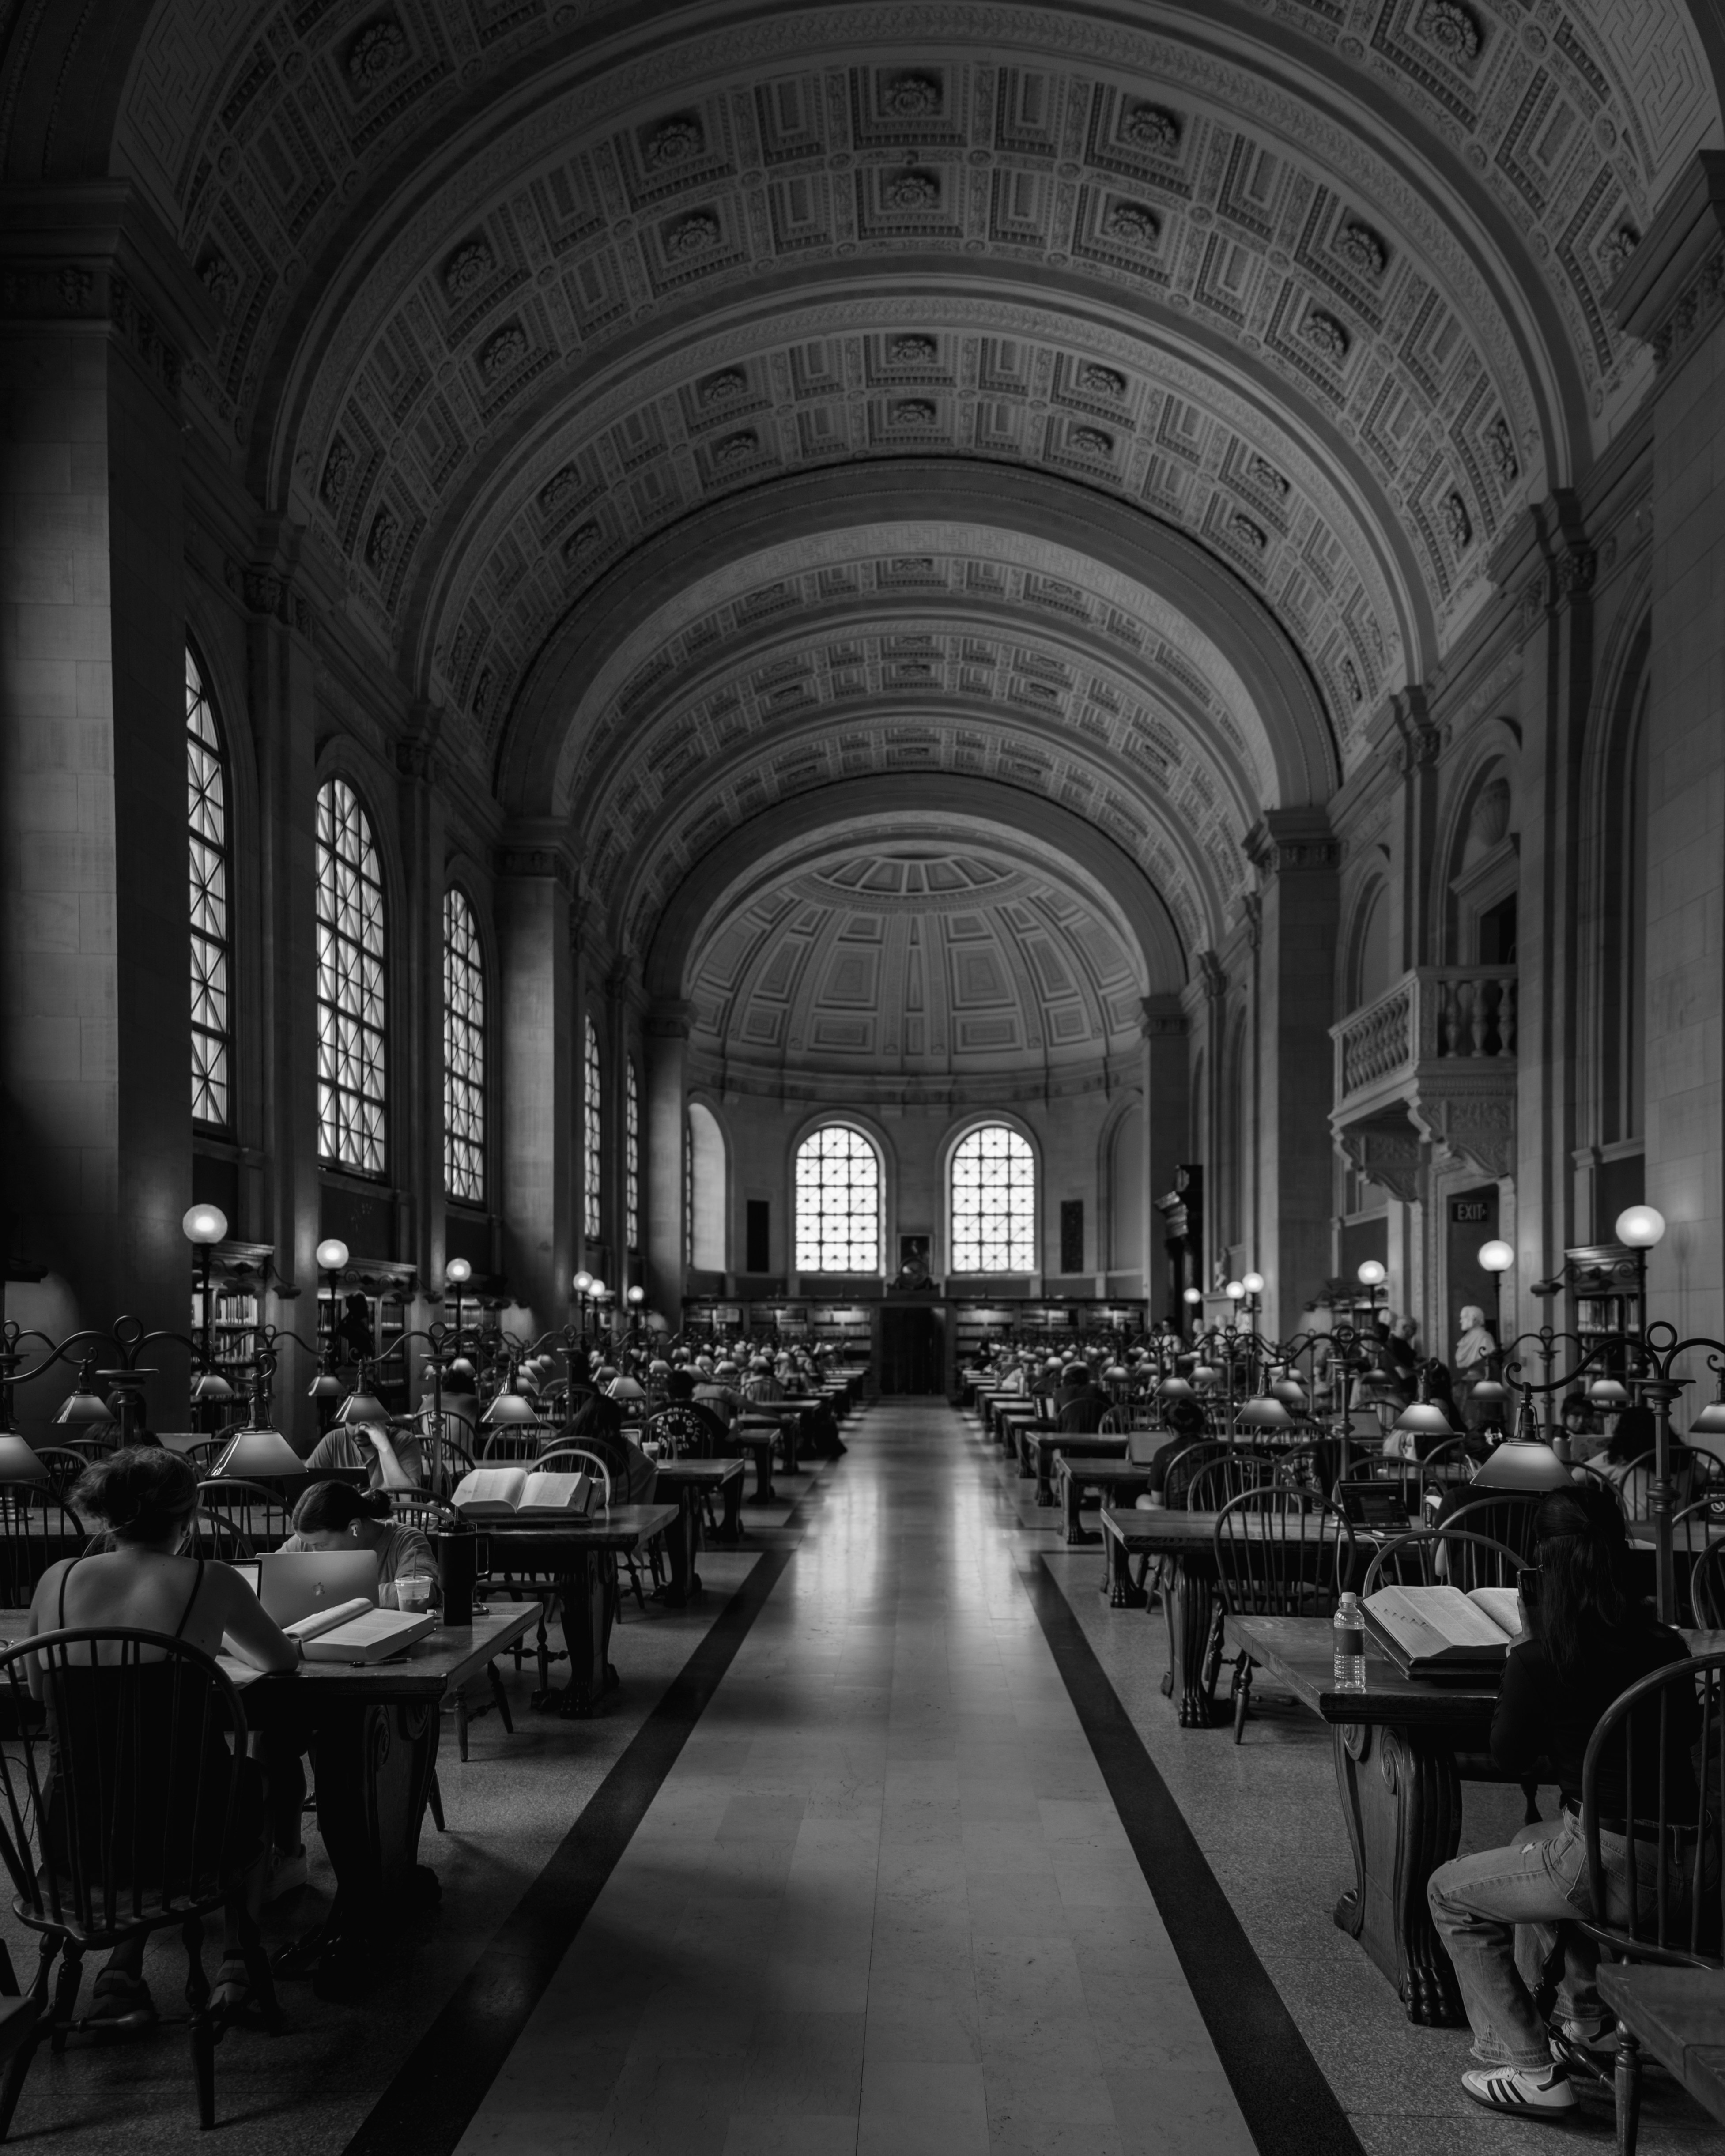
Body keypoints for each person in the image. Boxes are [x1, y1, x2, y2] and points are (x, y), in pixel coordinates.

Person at [1427, 1482, 1699, 2117]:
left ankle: (1528, 2070)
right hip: (1700, 1867)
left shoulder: (1542, 1654)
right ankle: (1586, 2021)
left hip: (1613, 1867)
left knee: (1448, 1893)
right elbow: (1683, 1737)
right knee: (1532, 1843)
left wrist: (1520, 1653)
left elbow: (1507, 1756)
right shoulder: (1664, 1644)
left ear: (1541, 1563)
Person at [28, 1448, 299, 2028]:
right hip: (187, 1832)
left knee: (127, 1795)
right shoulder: (210, 1578)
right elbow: (279, 1662)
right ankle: (236, 1963)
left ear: (106, 1516)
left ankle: (122, 1974)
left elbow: (34, 1687)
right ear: (191, 1513)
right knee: (254, 1772)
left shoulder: (58, 1579)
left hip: (77, 1834)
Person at [278, 1479, 440, 1609]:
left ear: (354, 1527)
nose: (314, 1553)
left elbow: (421, 1592)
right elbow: (266, 1578)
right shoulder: (309, 1541)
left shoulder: (406, 1541)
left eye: (322, 1545)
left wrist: (334, 1596)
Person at [305, 1411, 426, 1492]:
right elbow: (304, 1487)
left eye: (367, 1423)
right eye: (352, 1423)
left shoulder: (406, 1441)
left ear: (383, 1419)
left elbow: (406, 1497)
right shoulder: (334, 1440)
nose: (359, 1430)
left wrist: (384, 1446)